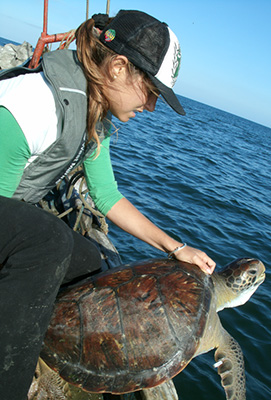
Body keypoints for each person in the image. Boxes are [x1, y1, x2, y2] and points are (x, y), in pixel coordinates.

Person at [0, 10, 216, 399]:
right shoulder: (34, 105)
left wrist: (177, 248)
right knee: (49, 242)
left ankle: (52, 345)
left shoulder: (93, 117)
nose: (151, 107)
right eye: (151, 92)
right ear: (117, 67)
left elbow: (107, 196)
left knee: (92, 261)